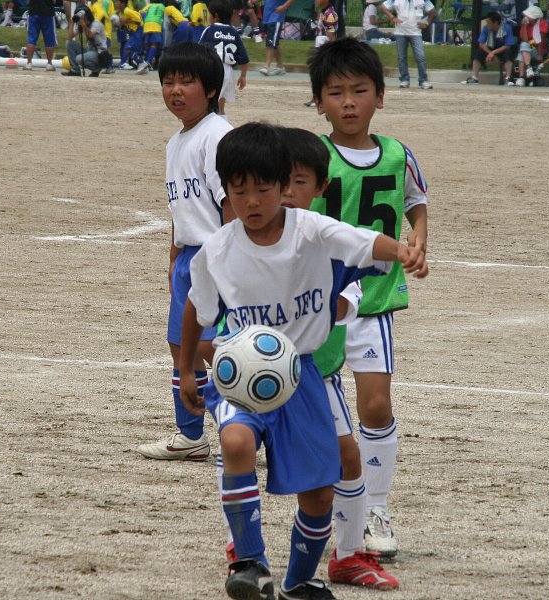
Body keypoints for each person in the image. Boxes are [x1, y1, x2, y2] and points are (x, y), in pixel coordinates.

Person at [178, 121, 425, 600]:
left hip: (302, 377)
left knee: (319, 492)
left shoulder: (311, 232)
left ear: (283, 186)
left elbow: (365, 241)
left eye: (263, 189)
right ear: (225, 190)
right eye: (239, 191)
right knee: (235, 440)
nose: (252, 202)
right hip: (238, 378)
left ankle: (299, 581)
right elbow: (196, 308)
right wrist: (188, 369)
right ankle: (249, 562)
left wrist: (404, 252)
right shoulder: (217, 250)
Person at [307, 37, 429, 561]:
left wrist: (418, 238)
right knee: (330, 419)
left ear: (380, 95)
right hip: (322, 305)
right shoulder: (312, 156)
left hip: (374, 299)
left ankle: (377, 508)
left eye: (360, 90)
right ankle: (338, 507)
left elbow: (416, 201)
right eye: (336, 93)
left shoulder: (399, 154)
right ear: (319, 102)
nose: (349, 102)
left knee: (376, 405)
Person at [279, 127, 400, 592]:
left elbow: (361, 262)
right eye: (278, 182)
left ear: (319, 187)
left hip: (317, 372)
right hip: (259, 371)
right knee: (240, 452)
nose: (287, 193)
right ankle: (241, 553)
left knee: (348, 459)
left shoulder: (322, 233)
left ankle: (347, 556)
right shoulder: (246, 237)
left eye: (299, 182)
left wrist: (403, 251)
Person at [138, 42, 233, 462]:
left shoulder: (217, 135)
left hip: (216, 257)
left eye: (186, 82)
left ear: (210, 89)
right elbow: (181, 209)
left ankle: (252, 423)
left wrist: (231, 260)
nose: (175, 90)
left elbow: (231, 203)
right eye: (168, 82)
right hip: (190, 259)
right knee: (182, 347)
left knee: (214, 349)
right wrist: (174, 256)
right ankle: (191, 434)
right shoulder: (176, 142)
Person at [199, 0, 249, 116]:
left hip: (212, 68)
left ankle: (212, 123)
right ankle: (222, 121)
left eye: (210, 14)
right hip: (228, 71)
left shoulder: (209, 29)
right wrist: (243, 76)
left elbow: (199, 50)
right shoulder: (234, 32)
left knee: (210, 103)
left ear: (215, 16)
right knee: (221, 104)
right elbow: (244, 58)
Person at [380, 0, 436, 89]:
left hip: (416, 33)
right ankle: (404, 80)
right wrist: (392, 17)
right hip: (400, 32)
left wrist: (426, 23)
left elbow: (433, 11)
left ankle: (423, 80)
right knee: (401, 57)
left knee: (420, 57)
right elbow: (383, 7)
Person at [462, 11, 515, 84]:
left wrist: (493, 53)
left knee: (508, 53)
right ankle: (475, 77)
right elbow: (481, 43)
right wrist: (491, 53)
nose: (487, 24)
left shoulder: (506, 28)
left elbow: (508, 45)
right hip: (491, 47)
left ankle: (508, 78)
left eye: (489, 22)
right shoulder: (486, 28)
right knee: (479, 52)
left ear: (495, 23)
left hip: (503, 48)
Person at [61, 5, 111, 76]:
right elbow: (70, 37)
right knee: (69, 43)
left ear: (87, 16)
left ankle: (96, 69)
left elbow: (90, 34)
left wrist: (84, 25)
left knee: (79, 58)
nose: (80, 18)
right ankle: (75, 70)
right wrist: (71, 23)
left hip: (100, 54)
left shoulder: (96, 24)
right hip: (90, 51)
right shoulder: (82, 24)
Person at [514, 4, 548, 86]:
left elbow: (539, 41)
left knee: (523, 49)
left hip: (538, 50)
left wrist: (539, 54)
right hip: (527, 49)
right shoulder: (525, 24)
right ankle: (526, 72)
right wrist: (524, 27)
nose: (526, 17)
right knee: (523, 47)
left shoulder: (542, 23)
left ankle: (522, 77)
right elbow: (525, 40)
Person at [259, 0, 294, 76]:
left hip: (276, 18)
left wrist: (284, 7)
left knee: (270, 43)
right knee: (275, 43)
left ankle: (266, 66)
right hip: (267, 18)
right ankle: (280, 67)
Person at [24, 0, 58, 71]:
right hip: (48, 13)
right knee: (49, 39)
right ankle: (49, 64)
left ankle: (29, 63)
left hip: (33, 11)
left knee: (31, 39)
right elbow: (54, 1)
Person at [114, 0, 146, 71]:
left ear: (123, 3)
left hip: (137, 31)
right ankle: (142, 63)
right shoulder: (121, 13)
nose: (116, 3)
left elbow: (139, 19)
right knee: (131, 50)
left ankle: (125, 63)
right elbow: (124, 26)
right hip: (132, 32)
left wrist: (127, 21)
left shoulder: (127, 11)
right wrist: (119, 24)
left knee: (127, 48)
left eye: (117, 2)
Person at [140, 0, 165, 69]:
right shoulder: (162, 6)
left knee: (147, 44)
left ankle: (146, 61)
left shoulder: (149, 5)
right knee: (154, 44)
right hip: (155, 24)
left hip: (147, 24)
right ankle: (149, 62)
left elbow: (141, 12)